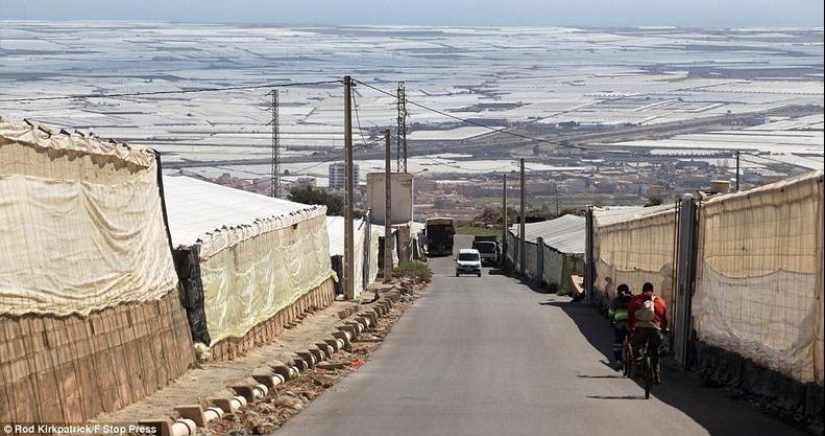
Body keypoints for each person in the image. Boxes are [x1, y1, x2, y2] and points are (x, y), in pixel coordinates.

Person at [627, 282, 668, 384]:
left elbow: (631, 312)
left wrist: (631, 327)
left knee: (637, 345)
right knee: (655, 350)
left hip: (641, 328)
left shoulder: (637, 298)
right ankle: (656, 375)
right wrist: (663, 329)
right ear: (653, 290)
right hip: (655, 329)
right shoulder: (660, 301)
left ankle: (638, 367)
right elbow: (664, 318)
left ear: (643, 290)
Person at [608, 284, 632, 370]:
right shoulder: (632, 298)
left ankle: (619, 361)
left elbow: (611, 312)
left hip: (620, 324)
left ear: (618, 292)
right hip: (631, 323)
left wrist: (611, 322)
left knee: (618, 342)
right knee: (633, 341)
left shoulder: (616, 300)